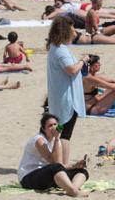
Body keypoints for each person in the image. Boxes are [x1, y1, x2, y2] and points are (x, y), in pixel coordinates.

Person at [46, 16, 88, 165]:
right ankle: (63, 164)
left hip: (60, 95)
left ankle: (58, 162)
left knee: (59, 131)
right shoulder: (60, 50)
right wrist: (83, 61)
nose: (75, 33)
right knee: (65, 134)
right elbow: (70, 70)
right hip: (67, 98)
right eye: (72, 30)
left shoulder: (55, 47)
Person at [17, 113, 90, 197]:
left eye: (55, 124)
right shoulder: (39, 140)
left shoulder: (54, 141)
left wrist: (75, 165)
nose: (53, 127)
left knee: (82, 171)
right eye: (50, 126)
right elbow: (54, 162)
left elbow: (60, 165)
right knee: (55, 167)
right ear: (44, 129)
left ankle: (73, 188)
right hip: (28, 178)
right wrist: (57, 139)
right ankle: (73, 191)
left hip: (47, 176)